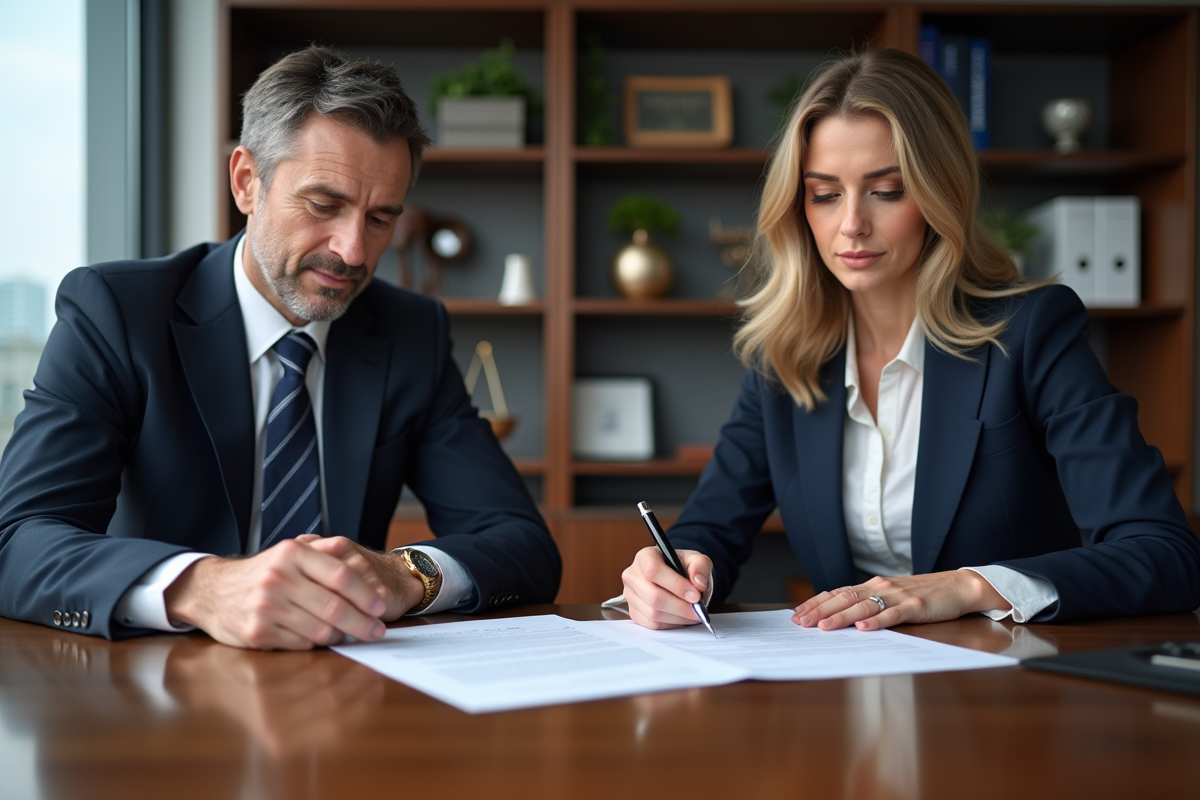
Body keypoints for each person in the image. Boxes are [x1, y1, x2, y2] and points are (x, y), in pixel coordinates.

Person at [619, 48, 1200, 632]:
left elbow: (1166, 554)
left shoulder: (1031, 331)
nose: (851, 224)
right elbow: (710, 530)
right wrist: (673, 573)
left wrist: (970, 585)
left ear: (939, 192)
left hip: (1010, 673)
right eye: (825, 194)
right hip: (850, 672)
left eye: (888, 190)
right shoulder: (785, 358)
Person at [0, 46, 560, 649]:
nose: (352, 250)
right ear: (247, 182)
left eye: (380, 219)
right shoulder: (117, 312)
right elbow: (18, 541)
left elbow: (522, 543)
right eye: (324, 205)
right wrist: (200, 586)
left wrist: (407, 573)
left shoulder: (409, 331)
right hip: (156, 677)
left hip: (348, 678)